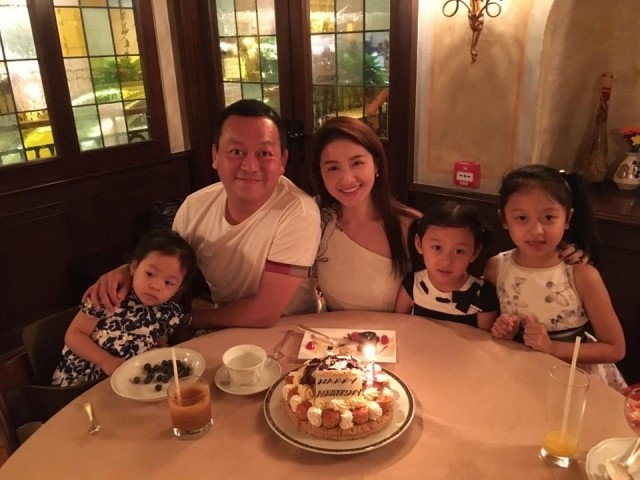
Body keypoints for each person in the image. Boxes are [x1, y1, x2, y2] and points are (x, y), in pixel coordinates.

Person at [84, 99, 321, 329]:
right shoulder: (195, 207)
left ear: (282, 161)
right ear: (215, 156)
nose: (250, 166)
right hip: (227, 328)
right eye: (236, 151)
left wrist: (189, 320)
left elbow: (264, 314)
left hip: (292, 330)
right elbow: (168, 262)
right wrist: (130, 271)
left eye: (264, 153)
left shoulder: (298, 211)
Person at [484, 165, 626, 389]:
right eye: (521, 218)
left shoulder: (581, 274)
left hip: (571, 381)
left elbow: (615, 348)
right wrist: (502, 330)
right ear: (504, 219)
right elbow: (487, 325)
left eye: (549, 217)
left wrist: (552, 348)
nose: (537, 230)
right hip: (516, 373)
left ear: (567, 218)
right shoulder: (496, 268)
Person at [51, 229, 197, 387]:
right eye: (149, 274)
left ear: (178, 288)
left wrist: (159, 350)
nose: (156, 286)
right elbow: (74, 335)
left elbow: (161, 341)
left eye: (168, 283)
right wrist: (105, 360)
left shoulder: (169, 312)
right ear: (134, 267)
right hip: (81, 380)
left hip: (128, 382)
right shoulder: (109, 295)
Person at [311, 116, 421, 312]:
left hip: (394, 331)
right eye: (333, 168)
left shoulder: (409, 227)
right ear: (321, 173)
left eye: (357, 163)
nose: (347, 179)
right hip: (329, 330)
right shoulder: (317, 220)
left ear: (376, 164)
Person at [394, 201, 498, 330]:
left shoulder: (483, 294)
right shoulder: (412, 284)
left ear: (475, 252)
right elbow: (398, 325)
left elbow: (486, 339)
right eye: (437, 247)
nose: (446, 261)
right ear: (419, 243)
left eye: (459, 251)